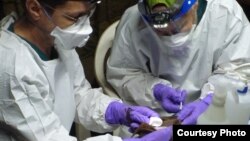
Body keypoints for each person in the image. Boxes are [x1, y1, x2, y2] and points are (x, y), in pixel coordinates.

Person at [0, 0, 172, 141]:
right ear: (35, 8)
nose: (86, 27)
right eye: (75, 18)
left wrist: (118, 111)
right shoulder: (12, 68)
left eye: (88, 14)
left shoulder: (55, 36)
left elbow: (78, 95)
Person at [106, 0, 250, 137]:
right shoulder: (133, 21)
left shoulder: (225, 14)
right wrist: (154, 91)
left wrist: (209, 101)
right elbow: (123, 74)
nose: (169, 34)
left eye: (177, 25)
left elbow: (239, 71)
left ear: (194, 4)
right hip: (152, 115)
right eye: (161, 31)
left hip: (216, 110)